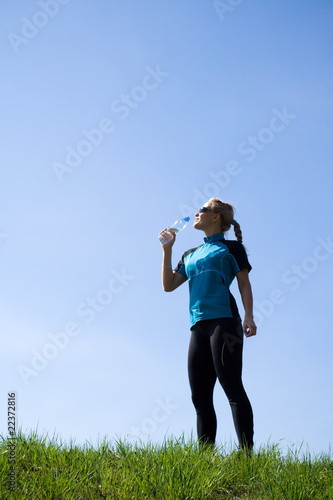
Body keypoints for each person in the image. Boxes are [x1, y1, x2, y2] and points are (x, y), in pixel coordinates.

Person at [159, 198, 256, 451]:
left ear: (216, 217)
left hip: (224, 322)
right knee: (200, 397)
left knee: (232, 386)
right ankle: (205, 460)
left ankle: (246, 455)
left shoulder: (232, 249)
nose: (196, 213)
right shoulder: (190, 254)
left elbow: (244, 284)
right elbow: (168, 285)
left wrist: (249, 316)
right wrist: (167, 250)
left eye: (202, 210)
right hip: (198, 327)